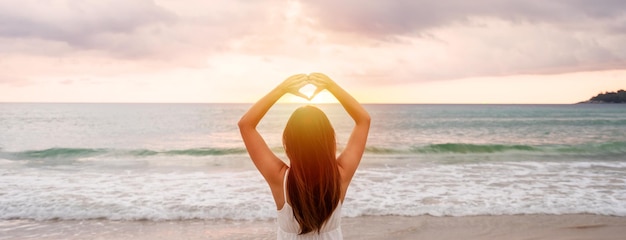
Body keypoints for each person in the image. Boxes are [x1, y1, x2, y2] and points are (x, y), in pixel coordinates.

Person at [238, 73, 370, 239]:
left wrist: (282, 89)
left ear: (289, 143)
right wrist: (331, 86)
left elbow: (246, 125)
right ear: (329, 139)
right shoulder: (340, 174)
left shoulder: (280, 178)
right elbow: (364, 120)